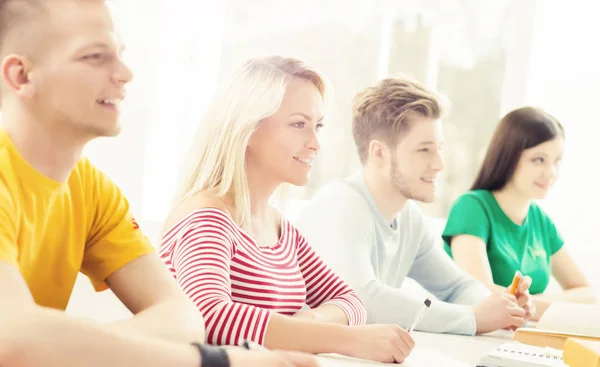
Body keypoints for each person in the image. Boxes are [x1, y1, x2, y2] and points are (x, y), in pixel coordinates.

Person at [0, 1, 318, 366]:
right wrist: (221, 361)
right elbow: (11, 337)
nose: (125, 73)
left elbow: (183, 318)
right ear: (22, 76)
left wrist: (62, 346)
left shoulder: (93, 191)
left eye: (119, 54)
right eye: (94, 56)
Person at [160, 56, 415, 364]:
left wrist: (310, 324)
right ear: (247, 129)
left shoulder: (280, 229)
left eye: (318, 126)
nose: (316, 143)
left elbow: (351, 301)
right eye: (299, 125)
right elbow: (210, 316)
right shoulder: (206, 218)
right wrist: (347, 339)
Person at [294, 76, 534, 336]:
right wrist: (473, 318)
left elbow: (458, 286)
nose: (439, 164)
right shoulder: (339, 204)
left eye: (439, 148)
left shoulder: (408, 218)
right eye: (424, 150)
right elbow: (363, 300)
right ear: (379, 153)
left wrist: (500, 308)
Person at [442, 106, 596, 320]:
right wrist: (545, 307)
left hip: (523, 339)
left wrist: (532, 304)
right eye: (539, 160)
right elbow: (478, 294)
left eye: (556, 161)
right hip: (473, 337)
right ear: (508, 156)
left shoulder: (540, 220)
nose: (551, 172)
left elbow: (588, 294)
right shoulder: (471, 207)